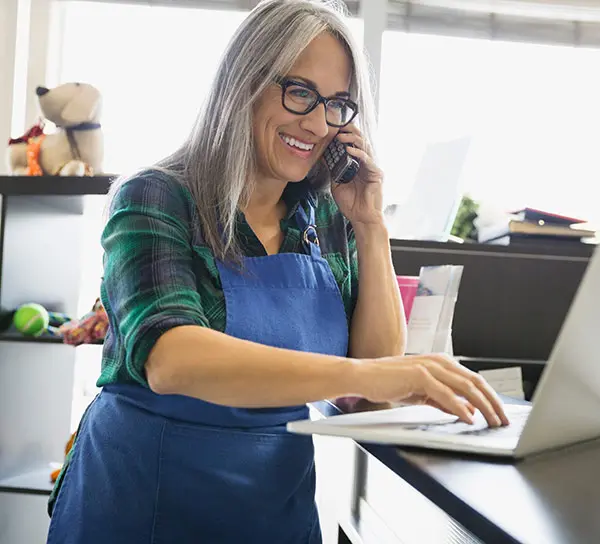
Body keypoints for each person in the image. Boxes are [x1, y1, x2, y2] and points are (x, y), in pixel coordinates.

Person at [46, 1, 508, 542]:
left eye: (338, 105)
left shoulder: (327, 216)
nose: (316, 124)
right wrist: (369, 376)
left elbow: (376, 379)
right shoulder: (155, 197)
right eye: (300, 93)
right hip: (145, 498)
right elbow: (172, 359)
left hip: (272, 509)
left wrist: (371, 225)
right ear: (245, 83)